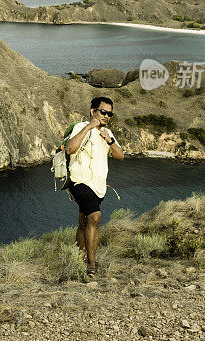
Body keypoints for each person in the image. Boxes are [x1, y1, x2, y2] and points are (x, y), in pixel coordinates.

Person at [64, 96, 124, 281]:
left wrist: (110, 142)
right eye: (103, 112)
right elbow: (69, 149)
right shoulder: (80, 127)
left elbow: (120, 157)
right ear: (93, 111)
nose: (106, 116)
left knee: (84, 222)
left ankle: (78, 258)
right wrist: (89, 127)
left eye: (109, 113)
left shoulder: (108, 133)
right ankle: (91, 265)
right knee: (95, 217)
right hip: (79, 181)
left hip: (98, 186)